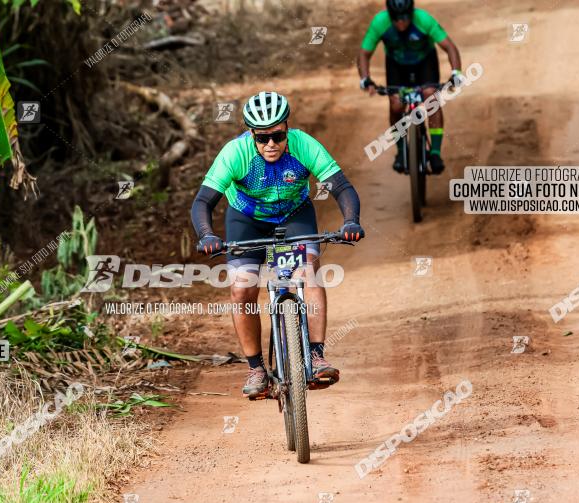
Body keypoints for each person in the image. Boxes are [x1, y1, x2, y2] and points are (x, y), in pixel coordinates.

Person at [191, 91, 364, 399]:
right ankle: (256, 368)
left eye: (277, 135)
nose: (270, 144)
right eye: (262, 138)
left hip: (294, 215)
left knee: (308, 271)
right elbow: (203, 201)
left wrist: (350, 220)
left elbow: (342, 187)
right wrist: (206, 234)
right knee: (242, 288)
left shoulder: (303, 145)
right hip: (246, 220)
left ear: (287, 127)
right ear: (250, 134)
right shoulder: (235, 153)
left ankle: (315, 354)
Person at [356, 0, 462, 174]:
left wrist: (456, 72)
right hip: (397, 66)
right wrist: (365, 79)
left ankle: (435, 153)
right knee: (396, 104)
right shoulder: (380, 22)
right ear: (390, 15)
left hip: (425, 63)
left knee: (431, 96)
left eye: (405, 17)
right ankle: (401, 151)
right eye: (396, 18)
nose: (401, 22)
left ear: (411, 13)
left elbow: (449, 47)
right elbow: (364, 54)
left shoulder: (424, 19)